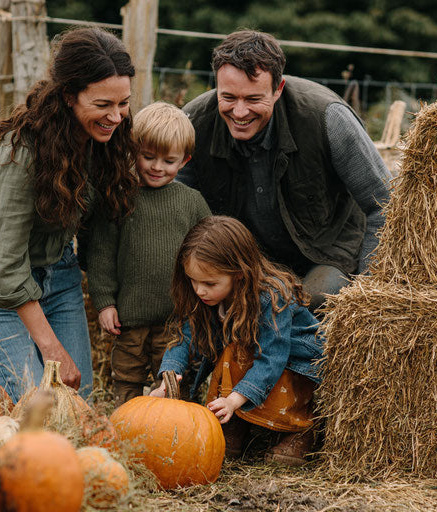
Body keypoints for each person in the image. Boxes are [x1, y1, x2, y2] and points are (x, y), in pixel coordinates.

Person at [0, 27, 139, 403]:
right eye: (103, 104)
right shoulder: (19, 152)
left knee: (78, 406)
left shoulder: (103, 139)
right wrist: (52, 349)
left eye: (124, 103)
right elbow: (2, 263)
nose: (117, 116)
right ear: (69, 95)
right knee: (41, 407)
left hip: (58, 273)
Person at [177, 30, 392, 312]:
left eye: (253, 99)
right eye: (228, 97)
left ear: (278, 89)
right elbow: (174, 206)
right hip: (245, 261)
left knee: (306, 305)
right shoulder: (193, 124)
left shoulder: (327, 118)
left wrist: (369, 292)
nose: (239, 112)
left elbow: (384, 204)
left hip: (325, 253)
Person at [151, 216, 324, 464]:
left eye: (209, 283)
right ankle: (237, 423)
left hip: (293, 361)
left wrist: (233, 399)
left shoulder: (271, 297)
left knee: (237, 348)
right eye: (193, 280)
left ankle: (301, 429)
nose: (199, 290)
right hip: (252, 363)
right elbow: (185, 337)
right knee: (233, 349)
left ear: (239, 274)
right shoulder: (205, 299)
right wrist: (170, 375)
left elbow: (272, 357)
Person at [86, 102, 211, 407]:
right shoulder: (120, 198)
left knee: (173, 380)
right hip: (128, 319)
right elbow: (101, 254)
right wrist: (104, 303)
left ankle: (176, 432)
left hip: (176, 318)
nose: (157, 167)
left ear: (185, 161)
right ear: (133, 151)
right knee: (126, 377)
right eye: (148, 157)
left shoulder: (191, 202)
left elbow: (210, 248)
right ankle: (124, 429)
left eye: (169, 161)